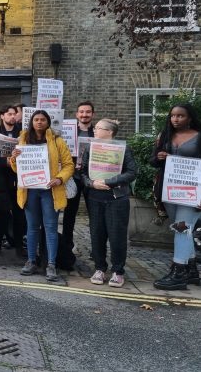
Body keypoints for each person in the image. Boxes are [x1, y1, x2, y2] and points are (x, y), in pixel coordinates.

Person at [10, 109, 74, 281]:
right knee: (31, 227)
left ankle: (51, 264)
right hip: (30, 190)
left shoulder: (57, 140)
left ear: (48, 122)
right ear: (32, 122)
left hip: (50, 190)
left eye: (42, 119)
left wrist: (60, 179)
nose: (39, 122)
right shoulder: (23, 139)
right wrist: (14, 158)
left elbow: (69, 165)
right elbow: (17, 169)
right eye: (36, 119)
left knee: (51, 228)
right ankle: (31, 261)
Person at [151, 103, 201, 290]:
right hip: (170, 190)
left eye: (180, 116)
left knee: (182, 227)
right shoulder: (164, 135)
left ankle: (178, 272)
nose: (175, 119)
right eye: (173, 116)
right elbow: (153, 162)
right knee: (180, 229)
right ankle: (191, 270)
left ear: (190, 117)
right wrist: (158, 157)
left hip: (193, 191)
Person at [81, 119, 136, 288]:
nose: (95, 130)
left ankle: (118, 272)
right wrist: (91, 183)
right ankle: (99, 269)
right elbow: (82, 172)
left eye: (98, 128)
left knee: (117, 236)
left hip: (116, 198)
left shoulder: (123, 148)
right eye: (95, 128)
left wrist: (110, 181)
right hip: (95, 197)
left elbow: (132, 172)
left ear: (110, 132)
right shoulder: (91, 147)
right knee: (97, 234)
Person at [0, 104, 24, 257]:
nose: (12, 116)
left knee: (19, 214)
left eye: (14, 114)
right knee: (1, 214)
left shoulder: (23, 134)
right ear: (2, 116)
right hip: (1, 180)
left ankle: (18, 246)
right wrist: (7, 162)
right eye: (9, 114)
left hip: (19, 180)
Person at [63, 101, 95, 254]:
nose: (84, 114)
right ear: (77, 114)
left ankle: (96, 249)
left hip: (91, 178)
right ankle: (66, 247)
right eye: (81, 112)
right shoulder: (68, 131)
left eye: (88, 112)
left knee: (94, 215)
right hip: (73, 177)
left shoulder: (97, 132)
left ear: (92, 114)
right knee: (69, 214)